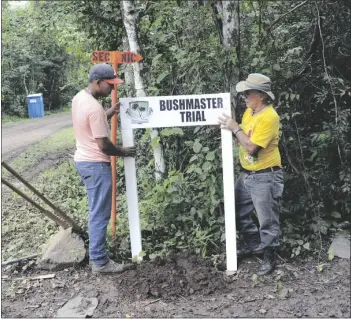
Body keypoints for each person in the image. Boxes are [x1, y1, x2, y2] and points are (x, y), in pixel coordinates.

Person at [72, 63, 136, 274]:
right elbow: (104, 145)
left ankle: (98, 256)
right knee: (100, 214)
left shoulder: (80, 98)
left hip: (83, 161)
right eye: (109, 85)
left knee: (96, 210)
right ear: (97, 82)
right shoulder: (94, 108)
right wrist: (124, 152)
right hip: (96, 164)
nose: (112, 89)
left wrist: (109, 112)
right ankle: (100, 261)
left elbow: (90, 124)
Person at [218, 73, 284, 275]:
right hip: (247, 175)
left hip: (265, 176)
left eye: (248, 93)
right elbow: (242, 138)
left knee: (267, 219)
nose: (244, 97)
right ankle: (253, 245)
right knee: (235, 210)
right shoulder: (250, 113)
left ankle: (269, 257)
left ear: (262, 95)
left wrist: (235, 127)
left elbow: (251, 148)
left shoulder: (269, 117)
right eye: (244, 93)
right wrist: (232, 128)